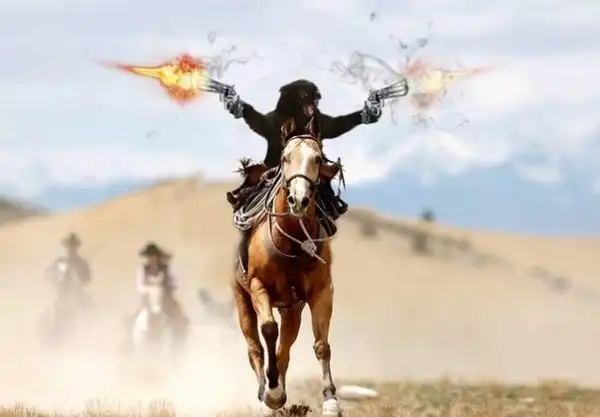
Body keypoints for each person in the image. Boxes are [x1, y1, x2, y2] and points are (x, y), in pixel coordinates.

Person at [219, 79, 404, 270]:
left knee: (328, 210)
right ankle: (246, 259)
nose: (313, 107)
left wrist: (365, 114)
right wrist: (238, 106)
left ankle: (318, 259)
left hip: (311, 178)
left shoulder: (318, 122)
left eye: (315, 103)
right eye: (309, 103)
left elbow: (338, 124)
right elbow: (255, 119)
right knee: (248, 213)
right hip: (274, 175)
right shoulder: (274, 121)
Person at [133, 242, 188, 346]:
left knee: (178, 315)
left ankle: (179, 340)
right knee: (134, 316)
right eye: (150, 256)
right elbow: (140, 285)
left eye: (154, 256)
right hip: (148, 297)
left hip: (164, 297)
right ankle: (130, 340)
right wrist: (150, 289)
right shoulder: (142, 269)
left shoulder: (166, 269)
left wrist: (166, 289)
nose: (152, 258)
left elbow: (174, 283)